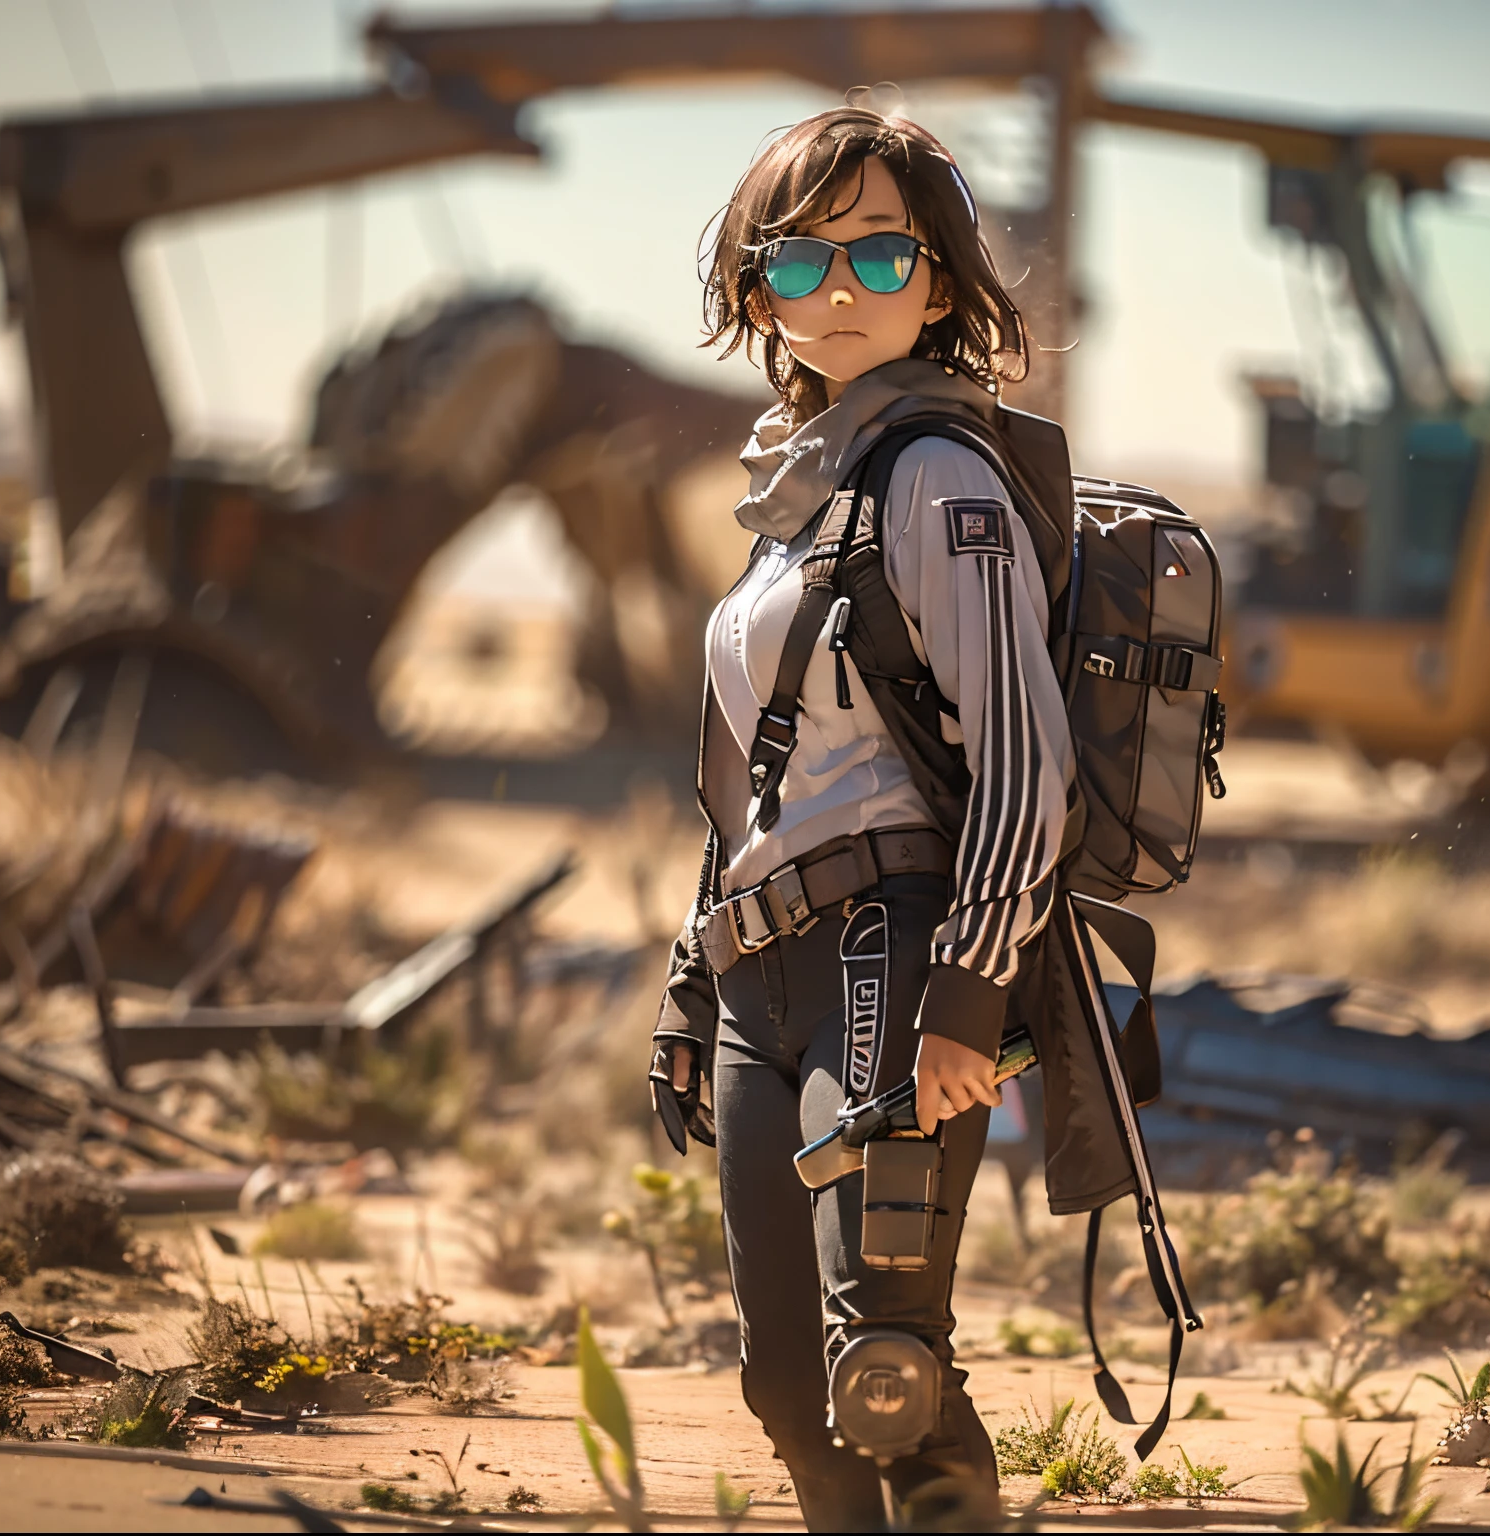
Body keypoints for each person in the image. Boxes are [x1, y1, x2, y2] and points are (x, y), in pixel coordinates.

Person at [647, 106, 1073, 1528]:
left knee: (879, 1357)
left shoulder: (939, 479)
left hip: (893, 957)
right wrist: (688, 990)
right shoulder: (790, 500)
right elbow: (748, 789)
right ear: (752, 287)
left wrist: (971, 988)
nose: (839, 292)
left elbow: (1027, 762)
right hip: (759, 980)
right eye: (800, 260)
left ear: (940, 286)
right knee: (783, 1381)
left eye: (881, 260)